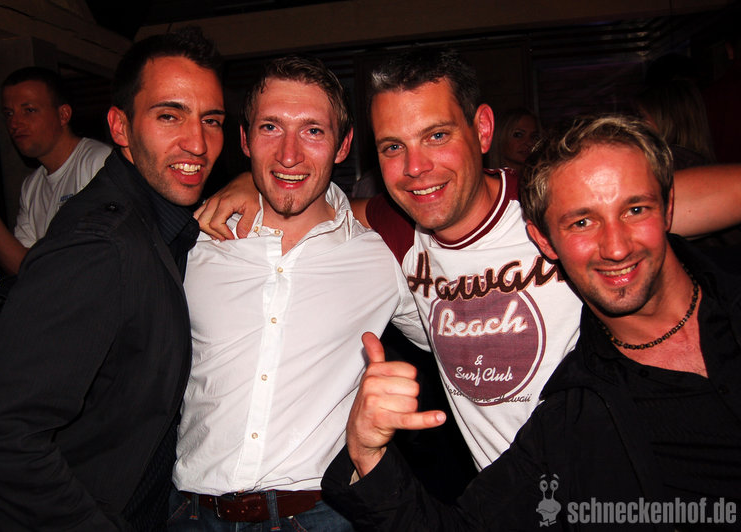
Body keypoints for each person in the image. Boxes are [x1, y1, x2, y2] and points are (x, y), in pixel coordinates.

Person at [202, 47, 741, 475]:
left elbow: (664, 202)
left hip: (625, 475)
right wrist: (252, 181)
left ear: (482, 130)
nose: (416, 168)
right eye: (393, 147)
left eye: (437, 136)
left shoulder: (551, 204)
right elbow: (319, 201)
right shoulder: (396, 230)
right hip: (505, 500)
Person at [321, 114, 741, 531]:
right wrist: (367, 455)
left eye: (634, 209)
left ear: (668, 208)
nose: (615, 247)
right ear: (544, 241)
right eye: (582, 222)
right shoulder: (572, 413)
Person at [0, 27, 225, 531]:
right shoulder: (103, 246)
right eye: (169, 116)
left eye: (211, 120)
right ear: (120, 127)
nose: (198, 143)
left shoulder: (164, 226)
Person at [168, 55, 427, 532]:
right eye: (270, 127)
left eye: (313, 131)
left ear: (343, 145)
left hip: (320, 515)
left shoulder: (382, 257)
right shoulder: (193, 243)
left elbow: (455, 336)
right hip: (191, 514)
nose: (289, 155)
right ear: (245, 140)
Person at [0, 66, 111, 275]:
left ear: (63, 115)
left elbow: (101, 258)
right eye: (9, 113)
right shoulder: (32, 186)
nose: (15, 123)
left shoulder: (98, 162)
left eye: (29, 110)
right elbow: (22, 267)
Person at [488, 106, 540, 176]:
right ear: (501, 137)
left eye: (533, 136)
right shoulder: (485, 180)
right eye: (518, 135)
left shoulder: (542, 179)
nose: (529, 143)